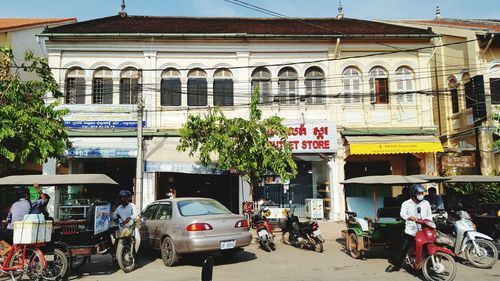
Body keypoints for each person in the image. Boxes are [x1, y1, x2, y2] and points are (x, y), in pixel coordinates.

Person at [386, 184, 432, 272]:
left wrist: (429, 222)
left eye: (422, 193)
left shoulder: (426, 203)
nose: (421, 194)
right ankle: (395, 265)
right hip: (411, 230)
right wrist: (408, 217)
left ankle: (426, 265)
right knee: (403, 248)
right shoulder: (406, 203)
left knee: (428, 248)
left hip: (424, 230)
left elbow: (429, 216)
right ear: (414, 194)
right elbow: (402, 214)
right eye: (419, 193)